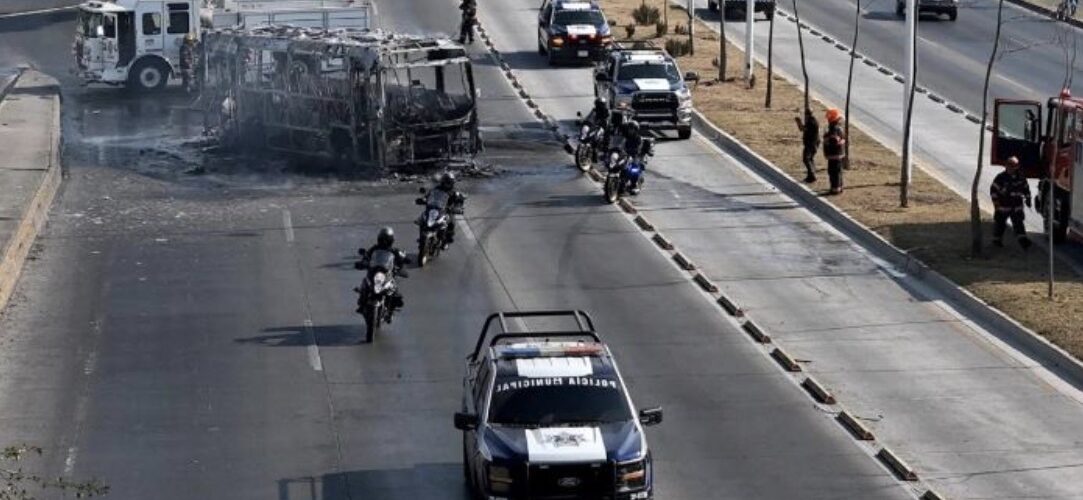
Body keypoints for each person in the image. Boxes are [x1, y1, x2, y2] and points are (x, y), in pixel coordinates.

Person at [356, 227, 407, 314]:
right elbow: (366, 256)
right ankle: (362, 304)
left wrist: (403, 263)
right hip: (374, 272)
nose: (384, 241)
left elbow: (402, 258)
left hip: (387, 273)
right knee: (365, 283)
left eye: (386, 239)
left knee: (394, 288)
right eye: (383, 239)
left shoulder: (394, 251)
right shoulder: (374, 249)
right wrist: (363, 263)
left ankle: (392, 306)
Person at [990, 156, 1033, 249]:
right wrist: (997, 205)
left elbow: (1026, 189)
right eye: (1008, 166)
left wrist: (1028, 199)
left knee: (1019, 224)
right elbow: (993, 191)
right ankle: (996, 241)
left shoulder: (1021, 178)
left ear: (1016, 167)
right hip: (1003, 206)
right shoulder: (1000, 178)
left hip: (1016, 206)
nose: (1010, 168)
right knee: (1000, 224)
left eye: (1013, 166)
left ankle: (1023, 241)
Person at [430, 172, 467, 247]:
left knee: (451, 223)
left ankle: (446, 240)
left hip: (446, 210)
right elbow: (429, 195)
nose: (447, 184)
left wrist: (458, 207)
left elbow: (460, 200)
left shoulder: (454, 192)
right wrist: (424, 199)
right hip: (435, 208)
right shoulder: (437, 188)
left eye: (449, 182)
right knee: (423, 218)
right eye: (446, 181)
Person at [822, 108, 847, 195]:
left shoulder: (834, 129)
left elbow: (834, 140)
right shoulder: (838, 128)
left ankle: (835, 189)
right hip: (836, 155)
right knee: (837, 172)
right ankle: (838, 187)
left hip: (834, 155)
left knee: (834, 172)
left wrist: (827, 138)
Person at [794, 108, 820, 183]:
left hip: (811, 144)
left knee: (806, 159)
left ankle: (812, 175)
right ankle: (810, 176)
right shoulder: (812, 120)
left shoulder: (811, 122)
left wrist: (798, 122)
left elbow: (802, 129)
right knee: (810, 159)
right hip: (813, 143)